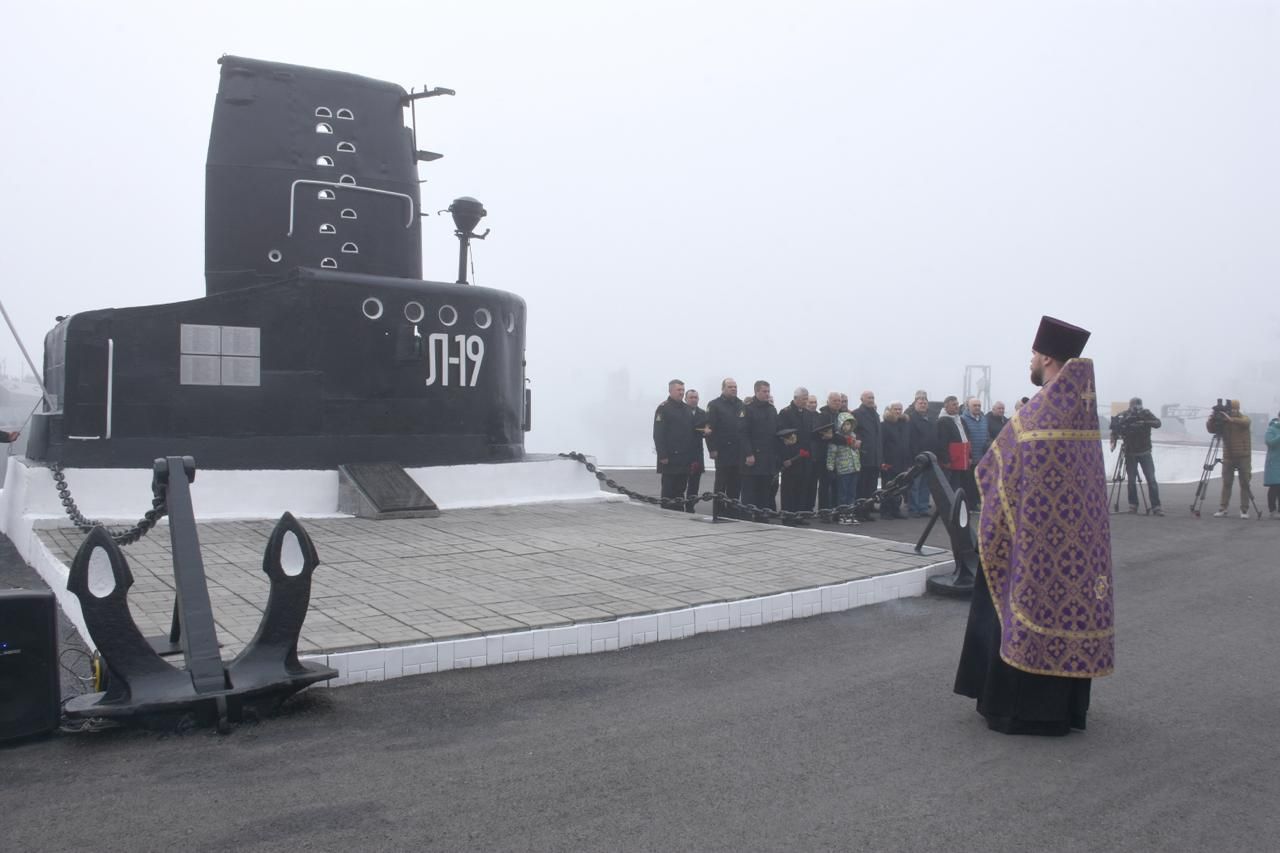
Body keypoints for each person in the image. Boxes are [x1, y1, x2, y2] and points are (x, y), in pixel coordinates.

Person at [954, 315, 1113, 736]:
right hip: (1078, 549)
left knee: (1014, 601)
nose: (1030, 361)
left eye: (1032, 355)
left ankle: (1018, 710)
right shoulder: (1081, 412)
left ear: (1045, 356)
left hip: (1032, 546)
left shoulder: (1038, 413)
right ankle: (1065, 711)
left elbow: (992, 470)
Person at [1108, 396, 1164, 516]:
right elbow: (1116, 430)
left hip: (1144, 452)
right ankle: (1133, 505)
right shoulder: (1124, 415)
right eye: (1135, 405)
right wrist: (1120, 423)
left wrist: (1144, 421)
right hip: (1130, 452)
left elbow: (1158, 423)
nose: (1136, 408)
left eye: (1138, 405)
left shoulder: (1146, 413)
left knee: (1151, 480)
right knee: (1132, 481)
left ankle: (1156, 507)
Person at [653, 379, 698, 512]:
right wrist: (662, 455)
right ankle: (667, 512)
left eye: (683, 390)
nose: (681, 392)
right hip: (670, 458)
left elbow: (690, 433)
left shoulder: (686, 409)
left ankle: (679, 512)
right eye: (679, 390)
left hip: (684, 458)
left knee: (680, 489)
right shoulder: (663, 408)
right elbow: (658, 434)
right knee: (668, 489)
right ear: (671, 391)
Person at [706, 378, 746, 518]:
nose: (733, 389)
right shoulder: (714, 405)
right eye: (730, 387)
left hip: (738, 451)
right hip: (722, 450)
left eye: (735, 387)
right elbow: (709, 428)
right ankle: (719, 510)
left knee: (736, 483)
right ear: (723, 388)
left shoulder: (741, 405)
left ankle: (733, 509)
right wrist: (712, 448)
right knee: (721, 483)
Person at [1208, 400, 1253, 518]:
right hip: (1228, 455)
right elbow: (1211, 429)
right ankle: (1223, 508)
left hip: (1244, 456)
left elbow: (1246, 422)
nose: (1233, 411)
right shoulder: (1223, 420)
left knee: (1245, 483)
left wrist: (1231, 420)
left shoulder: (1243, 418)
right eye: (1231, 409)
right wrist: (1212, 418)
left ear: (1238, 409)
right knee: (1227, 482)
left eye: (1235, 409)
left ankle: (1244, 510)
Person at [778, 387, 818, 517]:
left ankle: (799, 514)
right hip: (792, 457)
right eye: (803, 399)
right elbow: (782, 436)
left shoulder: (808, 414)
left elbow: (810, 435)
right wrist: (785, 458)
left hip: (805, 456)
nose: (806, 402)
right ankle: (788, 515)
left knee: (803, 487)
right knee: (790, 488)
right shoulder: (785, 413)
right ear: (795, 398)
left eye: (807, 399)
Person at [741, 380, 779, 517]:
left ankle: (763, 515)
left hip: (768, 457)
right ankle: (747, 515)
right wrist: (748, 453)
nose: (767, 394)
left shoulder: (772, 409)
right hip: (754, 457)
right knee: (750, 489)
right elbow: (743, 433)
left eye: (768, 391)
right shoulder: (748, 409)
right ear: (756, 392)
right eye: (764, 391)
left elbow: (775, 432)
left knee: (765, 489)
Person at [827, 412, 861, 524]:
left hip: (854, 468)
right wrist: (830, 467)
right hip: (843, 470)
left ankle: (850, 513)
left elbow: (856, 452)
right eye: (845, 424)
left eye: (849, 424)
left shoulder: (854, 436)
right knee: (843, 493)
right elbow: (832, 454)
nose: (847, 427)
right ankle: (842, 514)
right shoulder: (837, 438)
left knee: (852, 493)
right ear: (840, 424)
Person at [879, 401, 911, 519]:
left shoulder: (904, 424)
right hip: (889, 461)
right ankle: (885, 510)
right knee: (888, 487)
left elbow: (908, 443)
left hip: (902, 461)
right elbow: (881, 444)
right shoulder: (884, 425)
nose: (898, 411)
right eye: (895, 409)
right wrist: (882, 461)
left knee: (899, 487)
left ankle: (895, 509)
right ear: (890, 410)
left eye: (900, 409)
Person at [853, 391, 881, 520]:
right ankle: (859, 512)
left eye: (873, 397)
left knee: (871, 486)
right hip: (864, 456)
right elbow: (854, 432)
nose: (871, 400)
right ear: (862, 399)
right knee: (861, 487)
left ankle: (867, 510)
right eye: (869, 398)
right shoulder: (857, 414)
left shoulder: (875, 414)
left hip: (875, 457)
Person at [906, 396, 936, 517]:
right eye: (920, 403)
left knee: (925, 484)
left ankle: (923, 507)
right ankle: (913, 508)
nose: (923, 405)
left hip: (929, 456)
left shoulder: (931, 419)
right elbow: (909, 439)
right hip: (916, 456)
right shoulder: (911, 419)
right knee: (915, 484)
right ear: (915, 404)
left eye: (925, 403)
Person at [815, 392, 844, 512]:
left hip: (839, 455)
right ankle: (824, 510)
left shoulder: (841, 416)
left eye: (839, 401)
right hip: (825, 454)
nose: (837, 403)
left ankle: (836, 508)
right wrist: (843, 439)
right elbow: (825, 435)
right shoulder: (823, 416)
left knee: (837, 484)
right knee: (825, 484)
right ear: (828, 401)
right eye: (834, 401)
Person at [961, 398, 990, 511]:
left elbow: (986, 435)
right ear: (968, 407)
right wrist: (969, 455)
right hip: (970, 457)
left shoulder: (983, 419)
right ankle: (970, 505)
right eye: (975, 406)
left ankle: (978, 503)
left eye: (979, 405)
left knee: (980, 481)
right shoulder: (963, 419)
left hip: (982, 457)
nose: (977, 407)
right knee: (970, 483)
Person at [935, 396, 969, 492]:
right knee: (947, 485)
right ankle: (946, 506)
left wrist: (968, 456)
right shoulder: (942, 421)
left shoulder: (959, 419)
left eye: (957, 404)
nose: (957, 406)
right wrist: (945, 461)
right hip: (949, 460)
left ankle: (955, 504)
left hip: (960, 458)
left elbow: (965, 437)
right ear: (946, 407)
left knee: (956, 483)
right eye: (954, 404)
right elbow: (942, 442)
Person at [684, 388, 709, 513]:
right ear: (686, 399)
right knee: (682, 482)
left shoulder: (702, 413)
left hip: (697, 453)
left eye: (696, 398)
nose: (694, 400)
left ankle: (690, 505)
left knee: (694, 482)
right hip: (683, 453)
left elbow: (707, 431)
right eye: (691, 397)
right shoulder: (681, 411)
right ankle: (678, 504)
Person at [1265, 410, 1280, 519]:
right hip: (1274, 462)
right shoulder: (1271, 429)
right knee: (1275, 487)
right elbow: (1270, 443)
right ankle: (1272, 510)